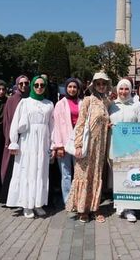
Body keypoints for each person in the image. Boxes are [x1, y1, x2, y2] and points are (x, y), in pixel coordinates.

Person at [6, 75, 55, 218]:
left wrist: (52, 143)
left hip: (43, 141)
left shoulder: (49, 104)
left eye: (42, 85)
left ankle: (38, 203)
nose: (39, 88)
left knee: (40, 171)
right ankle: (27, 205)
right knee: (27, 170)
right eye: (36, 85)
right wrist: (13, 141)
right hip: (28, 140)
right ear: (32, 86)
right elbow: (15, 123)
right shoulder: (25, 102)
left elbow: (52, 126)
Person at [66, 72, 112, 223]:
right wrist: (78, 145)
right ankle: (82, 209)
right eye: (98, 83)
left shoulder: (106, 102)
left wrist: (109, 124)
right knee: (84, 175)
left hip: (100, 146)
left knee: (96, 175)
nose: (101, 86)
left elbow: (103, 121)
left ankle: (95, 208)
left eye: (103, 83)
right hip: (87, 144)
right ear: (93, 85)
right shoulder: (87, 101)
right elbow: (80, 123)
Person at [109, 78, 140, 223]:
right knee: (116, 176)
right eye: (121, 89)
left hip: (130, 149)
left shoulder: (136, 107)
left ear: (130, 90)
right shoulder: (111, 105)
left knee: (128, 176)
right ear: (117, 90)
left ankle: (129, 208)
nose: (123, 92)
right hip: (114, 145)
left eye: (126, 89)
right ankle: (119, 204)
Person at [51, 78, 83, 208]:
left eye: (74, 87)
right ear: (66, 88)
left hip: (78, 143)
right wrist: (58, 145)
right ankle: (68, 200)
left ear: (78, 89)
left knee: (79, 173)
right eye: (69, 87)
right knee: (66, 174)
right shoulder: (60, 104)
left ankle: (79, 199)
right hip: (64, 143)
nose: (72, 89)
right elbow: (56, 126)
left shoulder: (82, 103)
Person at [0, 75, 30, 205]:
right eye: (21, 83)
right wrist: (10, 140)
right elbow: (8, 121)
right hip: (14, 140)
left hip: (28, 140)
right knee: (12, 169)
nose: (23, 86)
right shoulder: (12, 100)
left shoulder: (30, 99)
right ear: (17, 84)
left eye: (26, 83)